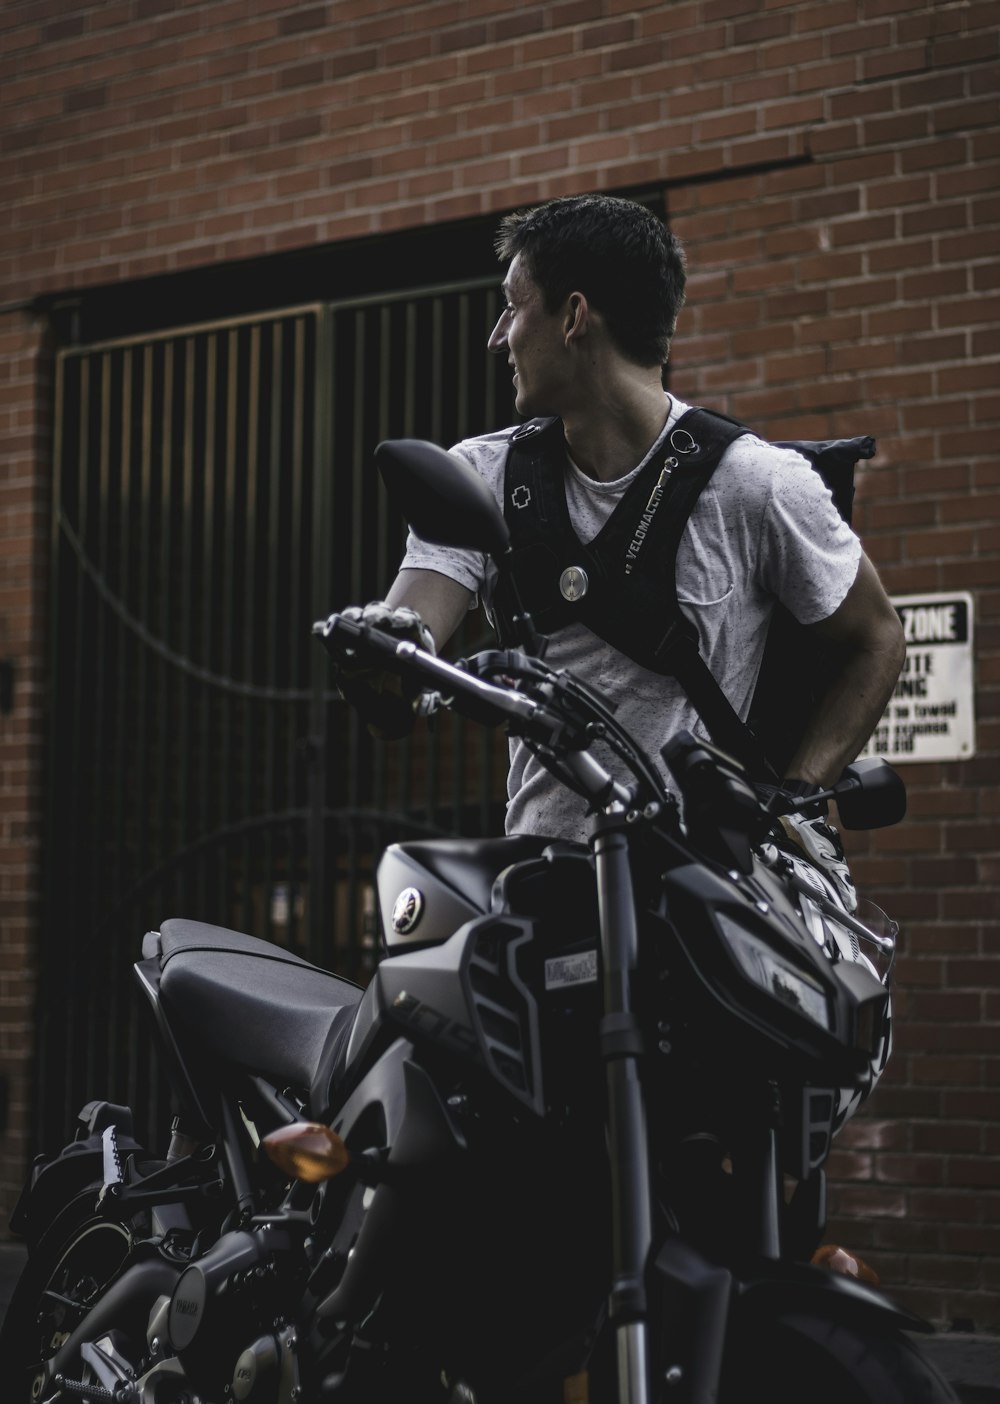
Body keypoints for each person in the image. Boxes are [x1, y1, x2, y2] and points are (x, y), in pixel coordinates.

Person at [345, 194, 905, 900]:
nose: (498, 337)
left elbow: (878, 636)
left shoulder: (755, 483)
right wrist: (381, 656)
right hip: (546, 881)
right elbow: (411, 638)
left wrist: (791, 800)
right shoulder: (481, 477)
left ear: (574, 318)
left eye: (514, 308)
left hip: (709, 893)